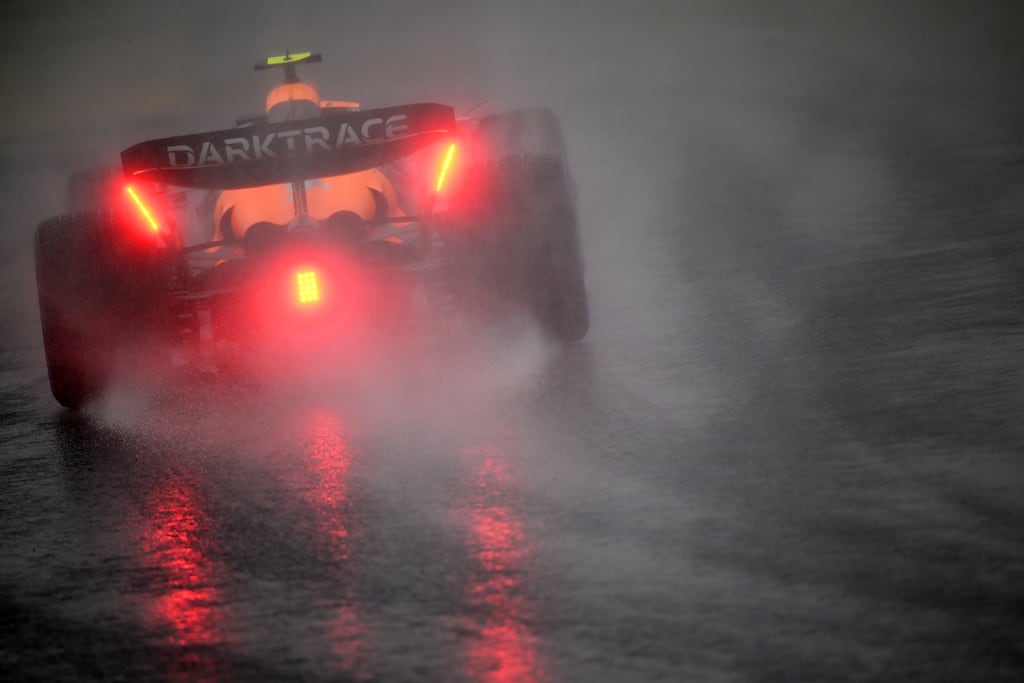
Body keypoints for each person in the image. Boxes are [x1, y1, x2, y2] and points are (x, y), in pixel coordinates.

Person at [213, 80, 405, 245]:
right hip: (353, 237)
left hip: (262, 244)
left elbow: (219, 246)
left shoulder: (240, 181)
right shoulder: (362, 165)